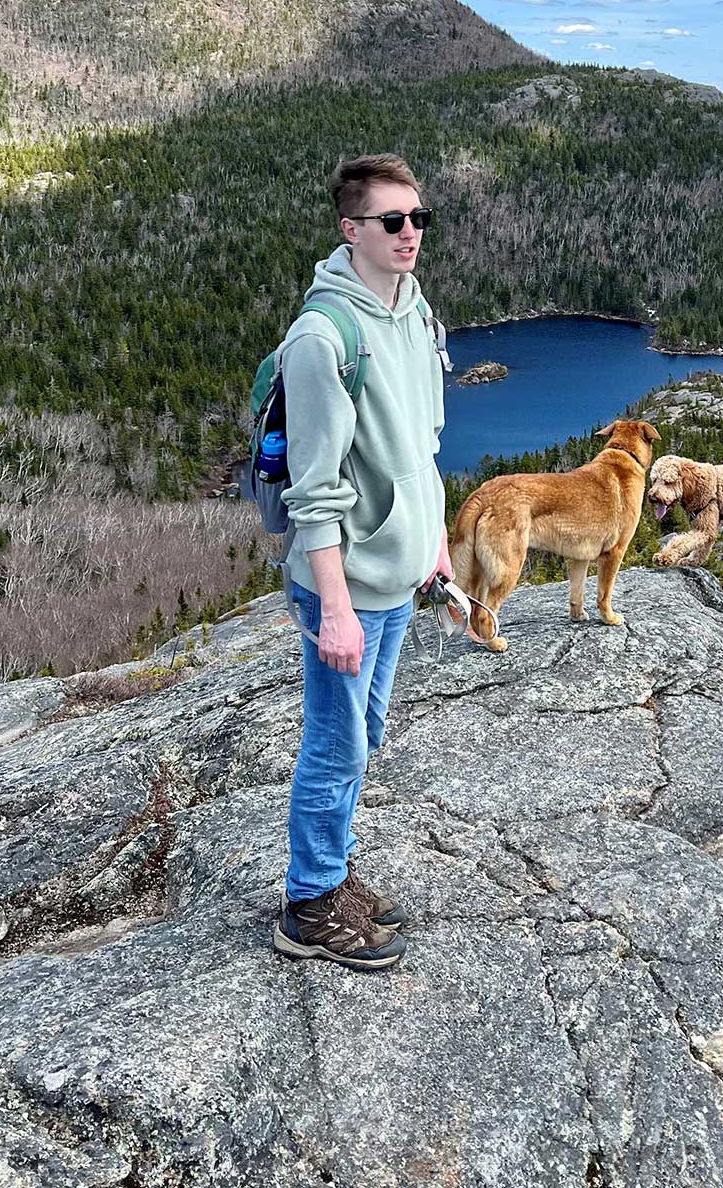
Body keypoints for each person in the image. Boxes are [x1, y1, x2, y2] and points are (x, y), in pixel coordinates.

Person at [272, 152, 453, 971]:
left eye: (417, 218)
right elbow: (314, 493)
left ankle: (335, 872)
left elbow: (425, 445)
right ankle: (308, 904)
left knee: (364, 731)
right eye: (392, 221)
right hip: (345, 588)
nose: (410, 232)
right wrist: (336, 609)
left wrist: (436, 542)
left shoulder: (415, 312)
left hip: (400, 575)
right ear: (352, 230)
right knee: (336, 740)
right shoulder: (321, 338)